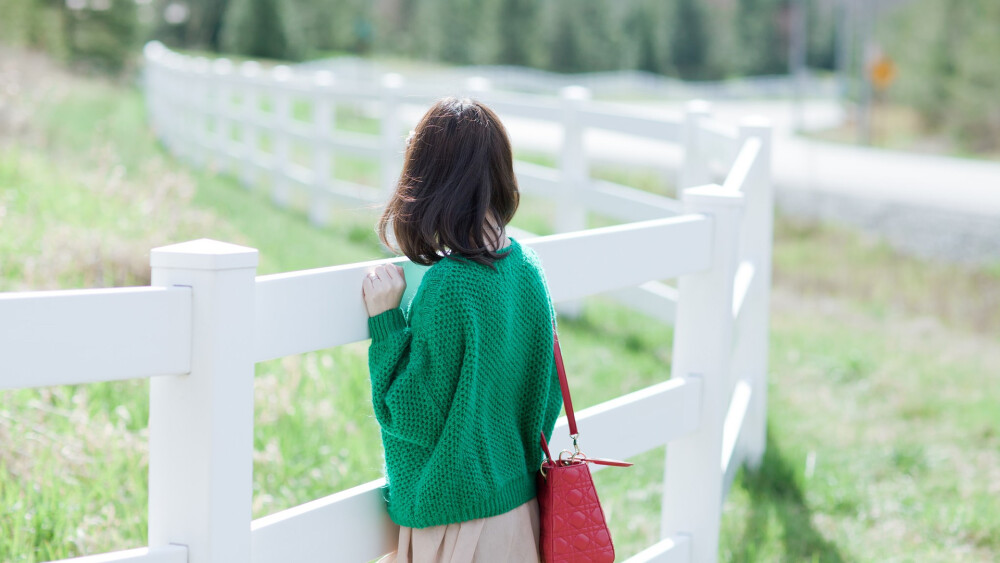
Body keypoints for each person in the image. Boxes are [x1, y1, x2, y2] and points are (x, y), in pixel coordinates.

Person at [361, 97, 562, 563]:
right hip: (519, 507)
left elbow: (410, 415)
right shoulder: (528, 270)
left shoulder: (451, 286)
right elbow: (544, 395)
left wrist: (386, 324)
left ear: (429, 181)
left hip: (459, 521)